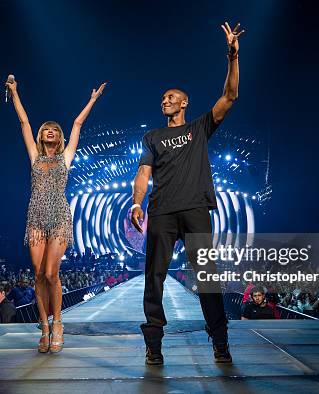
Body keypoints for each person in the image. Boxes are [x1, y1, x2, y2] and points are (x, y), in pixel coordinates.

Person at [130, 21, 243, 365]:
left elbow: (230, 96)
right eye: (163, 97)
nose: (165, 100)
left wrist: (232, 56)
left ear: (184, 103)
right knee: (154, 279)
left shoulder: (199, 128)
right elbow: (143, 173)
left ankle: (220, 342)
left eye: (171, 97)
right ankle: (154, 344)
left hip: (195, 210)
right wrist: (137, 202)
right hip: (162, 212)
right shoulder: (152, 137)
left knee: (207, 278)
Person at [6, 76, 106, 353]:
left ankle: (59, 322)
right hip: (35, 216)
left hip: (60, 215)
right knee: (38, 274)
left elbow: (77, 124)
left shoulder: (66, 157)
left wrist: (92, 100)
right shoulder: (34, 156)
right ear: (41, 135)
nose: (50, 131)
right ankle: (45, 326)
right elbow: (24, 123)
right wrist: (15, 92)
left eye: (54, 129)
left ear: (59, 137)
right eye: (46, 129)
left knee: (52, 273)